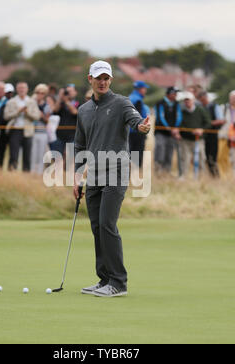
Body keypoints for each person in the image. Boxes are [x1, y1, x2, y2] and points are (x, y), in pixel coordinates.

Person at [74, 60, 151, 297]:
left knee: (107, 223)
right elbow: (80, 144)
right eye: (98, 78)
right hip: (94, 173)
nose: (102, 82)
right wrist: (77, 176)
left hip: (117, 170)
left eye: (106, 78)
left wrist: (141, 127)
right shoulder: (84, 110)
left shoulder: (121, 103)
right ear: (90, 79)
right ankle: (104, 278)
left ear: (111, 80)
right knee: (97, 226)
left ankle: (118, 282)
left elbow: (135, 120)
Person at [4, 82, 41, 172]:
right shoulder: (11, 102)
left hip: (27, 131)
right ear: (17, 89)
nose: (21, 90)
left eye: (23, 88)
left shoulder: (31, 102)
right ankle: (12, 172)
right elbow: (6, 116)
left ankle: (26, 174)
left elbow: (37, 116)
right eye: (20, 88)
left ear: (27, 89)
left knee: (27, 155)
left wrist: (27, 113)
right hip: (15, 130)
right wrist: (18, 112)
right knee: (13, 154)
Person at [178, 91, 211, 177]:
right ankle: (183, 176)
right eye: (185, 100)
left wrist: (201, 130)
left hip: (198, 139)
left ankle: (201, 177)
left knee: (201, 159)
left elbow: (208, 122)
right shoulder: (181, 111)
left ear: (193, 100)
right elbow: (179, 125)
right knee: (185, 159)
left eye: (188, 100)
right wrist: (190, 131)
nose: (187, 102)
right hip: (185, 139)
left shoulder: (200, 110)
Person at [154, 86, 183, 175]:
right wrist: (170, 129)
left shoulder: (176, 104)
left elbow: (179, 116)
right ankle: (158, 171)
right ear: (169, 94)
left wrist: (176, 128)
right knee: (160, 151)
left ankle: (167, 172)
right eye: (174, 93)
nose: (176, 95)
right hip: (161, 132)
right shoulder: (160, 103)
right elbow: (160, 118)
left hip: (172, 134)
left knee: (169, 152)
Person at [199, 91, 224, 178]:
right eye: (201, 100)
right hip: (203, 135)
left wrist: (209, 123)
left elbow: (221, 120)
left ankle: (215, 176)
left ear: (206, 97)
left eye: (204, 99)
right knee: (205, 157)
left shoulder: (214, 106)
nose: (203, 102)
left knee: (212, 157)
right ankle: (210, 175)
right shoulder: (200, 107)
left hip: (213, 135)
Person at [218, 90, 235, 178]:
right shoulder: (223, 108)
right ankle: (224, 177)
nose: (233, 99)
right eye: (232, 97)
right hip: (224, 136)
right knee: (221, 157)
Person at [53, 84, 79, 159]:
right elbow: (55, 111)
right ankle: (58, 170)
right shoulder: (61, 103)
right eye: (67, 91)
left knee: (70, 158)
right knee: (57, 157)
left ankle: (69, 170)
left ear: (75, 92)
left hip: (72, 135)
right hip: (60, 134)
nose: (68, 93)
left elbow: (75, 112)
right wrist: (60, 98)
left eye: (70, 91)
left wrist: (67, 101)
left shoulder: (78, 104)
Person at [31, 83, 52, 174]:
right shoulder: (32, 104)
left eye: (42, 93)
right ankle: (31, 172)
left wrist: (41, 114)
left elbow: (47, 121)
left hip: (42, 133)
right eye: (38, 92)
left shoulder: (46, 106)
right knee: (32, 154)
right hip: (32, 132)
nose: (40, 94)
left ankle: (39, 172)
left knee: (40, 154)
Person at [128, 81, 150, 168]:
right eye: (145, 89)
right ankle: (135, 173)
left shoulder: (130, 97)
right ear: (140, 89)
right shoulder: (138, 100)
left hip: (130, 131)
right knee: (136, 153)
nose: (145, 91)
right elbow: (138, 117)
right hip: (137, 131)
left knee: (130, 152)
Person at [0, 83, 15, 170]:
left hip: (7, 130)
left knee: (4, 150)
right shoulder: (1, 102)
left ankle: (1, 167)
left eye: (10, 93)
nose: (9, 94)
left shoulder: (11, 102)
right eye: (7, 92)